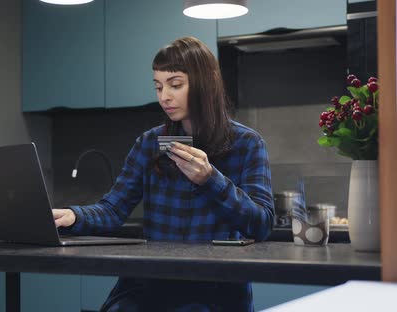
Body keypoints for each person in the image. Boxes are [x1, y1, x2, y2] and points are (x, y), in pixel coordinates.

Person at [53, 36, 274, 312]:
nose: (164, 97)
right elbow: (113, 209)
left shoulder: (247, 143)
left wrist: (210, 180)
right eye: (158, 87)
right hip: (150, 285)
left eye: (175, 85)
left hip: (215, 288)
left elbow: (263, 224)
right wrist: (74, 216)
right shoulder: (150, 143)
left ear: (205, 84)